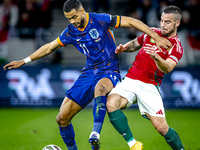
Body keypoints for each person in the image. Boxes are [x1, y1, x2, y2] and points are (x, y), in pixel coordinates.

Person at [3, 0, 171, 150]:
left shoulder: (100, 19)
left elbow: (132, 21)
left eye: (75, 17)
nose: (73, 21)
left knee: (100, 88)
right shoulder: (70, 31)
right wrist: (24, 61)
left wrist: (155, 36)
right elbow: (49, 47)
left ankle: (95, 134)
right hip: (89, 72)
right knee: (61, 118)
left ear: (82, 10)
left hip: (109, 70)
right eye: (69, 18)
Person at [106, 5, 184, 150]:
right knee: (111, 104)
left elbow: (167, 67)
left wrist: (156, 58)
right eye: (162, 20)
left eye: (167, 22)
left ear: (177, 23)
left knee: (162, 128)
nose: (163, 25)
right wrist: (125, 47)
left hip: (149, 85)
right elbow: (135, 44)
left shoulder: (176, 46)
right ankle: (133, 145)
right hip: (130, 79)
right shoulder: (152, 32)